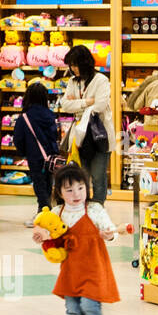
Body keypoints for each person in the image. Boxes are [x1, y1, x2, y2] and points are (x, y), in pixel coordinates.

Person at [32, 163, 122, 315]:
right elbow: (44, 229)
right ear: (60, 192)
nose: (76, 194)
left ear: (87, 188)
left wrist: (109, 235)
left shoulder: (95, 209)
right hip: (71, 268)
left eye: (81, 188)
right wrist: (41, 235)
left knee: (90, 304)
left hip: (94, 266)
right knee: (72, 307)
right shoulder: (57, 212)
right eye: (69, 189)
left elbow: (111, 230)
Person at [59, 44, 112, 204]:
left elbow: (100, 105)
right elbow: (65, 105)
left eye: (75, 64)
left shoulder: (101, 80)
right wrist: (87, 102)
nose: (73, 68)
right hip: (80, 135)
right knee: (82, 177)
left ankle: (98, 210)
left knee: (98, 177)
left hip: (98, 135)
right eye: (71, 65)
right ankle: (83, 210)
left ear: (85, 63)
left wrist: (77, 103)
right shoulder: (72, 82)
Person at [11, 82, 61, 223]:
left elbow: (18, 138)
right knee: (47, 182)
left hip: (34, 156)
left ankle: (44, 212)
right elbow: (54, 136)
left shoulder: (25, 117)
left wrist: (23, 152)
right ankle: (46, 210)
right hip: (50, 156)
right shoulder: (50, 115)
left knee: (38, 184)